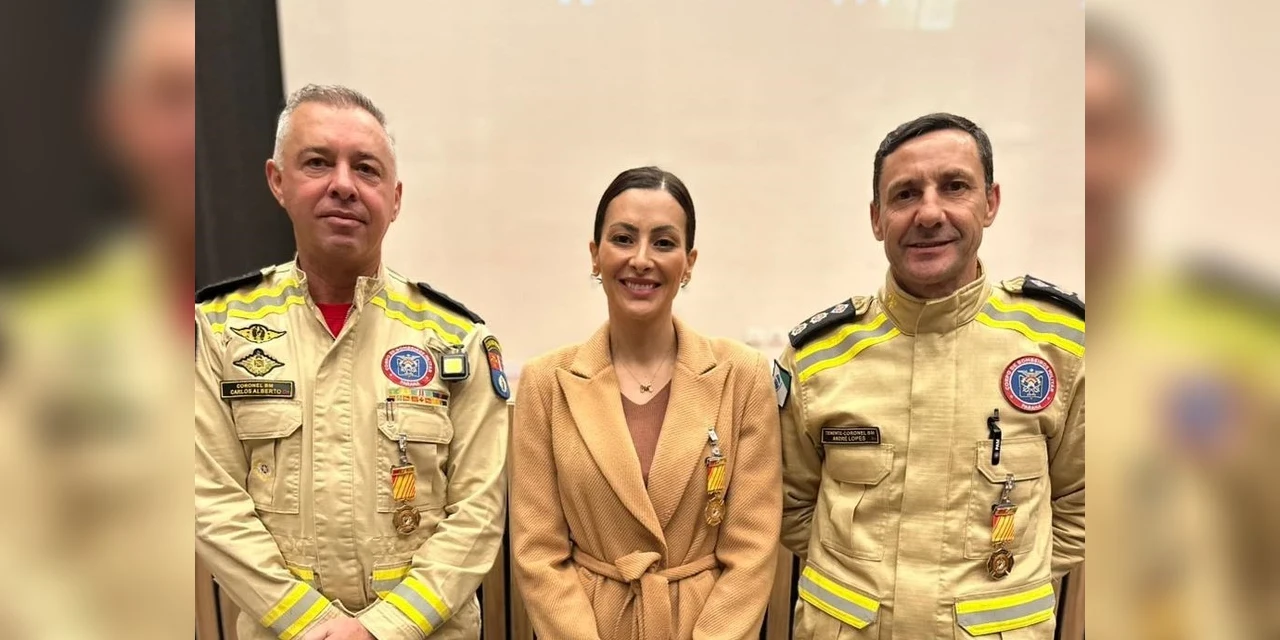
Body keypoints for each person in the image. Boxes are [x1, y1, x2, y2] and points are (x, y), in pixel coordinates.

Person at [195, 84, 509, 640]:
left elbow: (480, 512)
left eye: (366, 169)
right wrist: (312, 626)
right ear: (278, 181)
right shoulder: (217, 329)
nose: (343, 185)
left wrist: (381, 630)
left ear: (395, 197)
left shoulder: (456, 338)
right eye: (317, 162)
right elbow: (209, 499)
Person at [776, 113, 1085, 639]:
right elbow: (789, 505)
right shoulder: (818, 358)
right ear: (877, 219)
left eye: (955, 186)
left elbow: (1082, 504)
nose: (929, 212)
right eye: (904, 195)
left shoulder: (1059, 347)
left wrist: (1000, 589)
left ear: (990, 203)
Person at [510, 167, 782, 639]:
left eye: (662, 242)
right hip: (587, 625)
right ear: (595, 255)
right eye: (622, 238)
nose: (641, 259)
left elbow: (752, 547)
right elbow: (538, 553)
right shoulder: (546, 383)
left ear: (689, 262)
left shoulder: (741, 376)